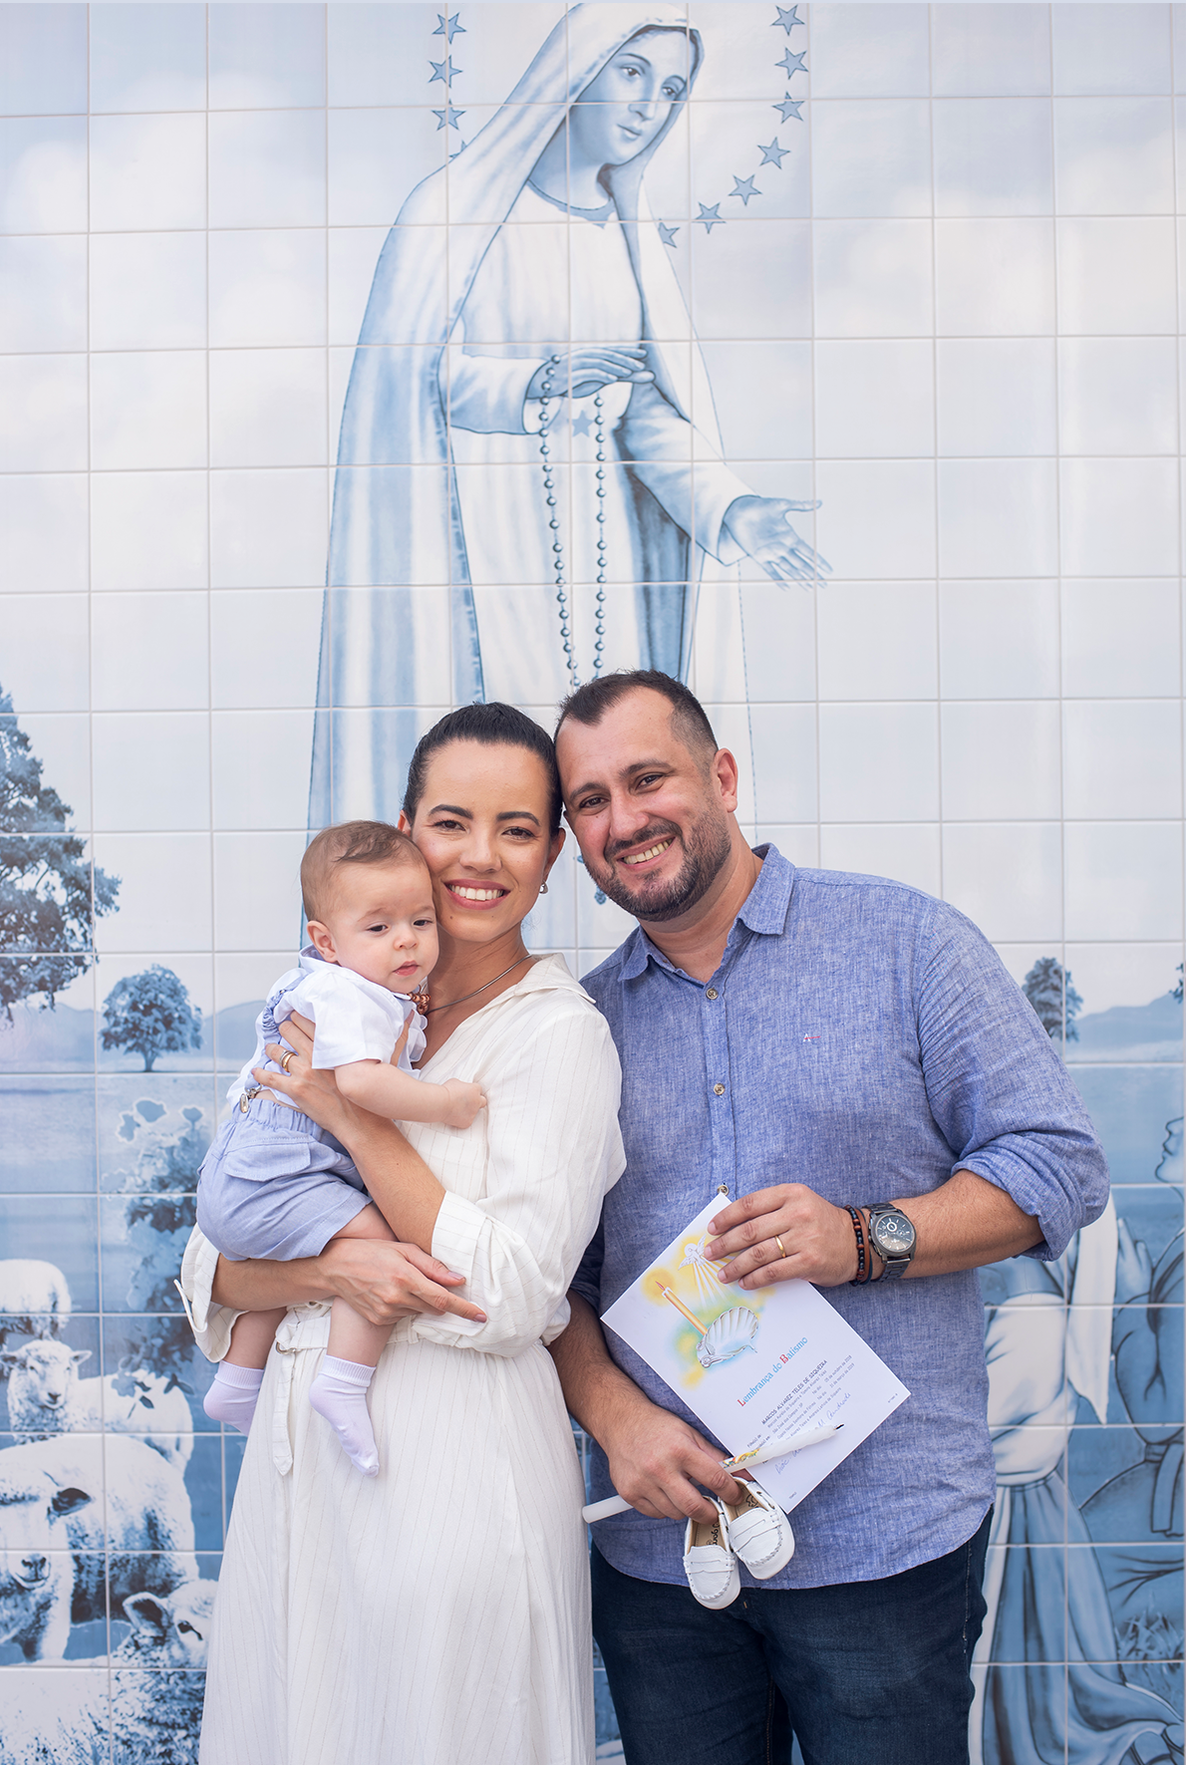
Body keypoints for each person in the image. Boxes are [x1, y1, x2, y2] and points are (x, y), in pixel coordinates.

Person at [548, 669, 1111, 1765]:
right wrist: (616, 1420)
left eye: (648, 778)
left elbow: (1059, 1162)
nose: (624, 821)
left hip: (886, 1542)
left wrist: (865, 1239)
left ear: (721, 775)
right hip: (670, 1567)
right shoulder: (577, 1029)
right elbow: (550, 1286)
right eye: (590, 801)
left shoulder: (907, 944)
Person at [179, 703, 624, 1765]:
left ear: (555, 851)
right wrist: (331, 1266)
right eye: (452, 821)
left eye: (518, 828)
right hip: (299, 1490)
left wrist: (346, 1114)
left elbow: (512, 1293)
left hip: (455, 1479)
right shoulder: (334, 1004)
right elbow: (214, 1250)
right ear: (404, 828)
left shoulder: (559, 1036)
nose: (479, 856)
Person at [310, 1, 827, 829]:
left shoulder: (629, 235)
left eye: (670, 89)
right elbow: (408, 380)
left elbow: (646, 411)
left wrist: (729, 505)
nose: (647, 104)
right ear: (574, 68)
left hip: (606, 571)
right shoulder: (456, 214)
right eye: (631, 72)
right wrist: (533, 383)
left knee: (608, 790)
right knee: (496, 790)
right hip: (483, 552)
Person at [195, 821, 486, 1478]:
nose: (406, 940)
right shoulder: (345, 993)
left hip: (242, 1177)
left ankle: (238, 1382)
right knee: (382, 1240)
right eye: (378, 929)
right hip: (280, 1174)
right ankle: (344, 1380)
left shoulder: (350, 988)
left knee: (298, 1247)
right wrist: (447, 1102)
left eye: (420, 919)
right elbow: (357, 1083)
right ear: (325, 941)